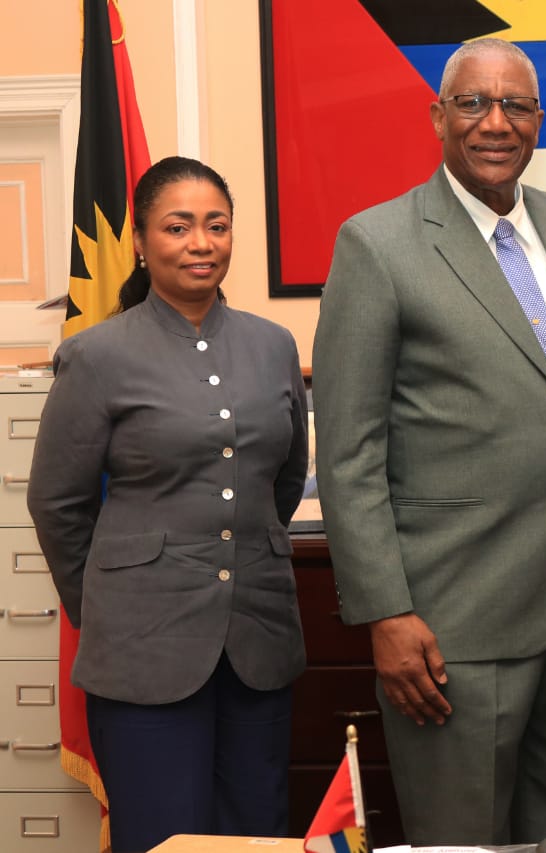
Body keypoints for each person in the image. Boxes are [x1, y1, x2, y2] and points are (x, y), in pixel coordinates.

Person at [312, 38, 546, 845]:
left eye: (515, 106)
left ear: (540, 121)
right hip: (451, 622)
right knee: (463, 837)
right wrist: (385, 610)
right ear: (438, 116)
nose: (495, 122)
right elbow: (349, 450)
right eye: (473, 103)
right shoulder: (378, 244)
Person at [27, 156, 309, 853]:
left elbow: (283, 477)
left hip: (258, 642)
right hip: (141, 650)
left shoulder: (274, 346)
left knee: (258, 836)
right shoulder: (96, 354)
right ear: (142, 242)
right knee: (161, 837)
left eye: (216, 226)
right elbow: (57, 502)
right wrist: (111, 602)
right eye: (178, 227)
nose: (201, 242)